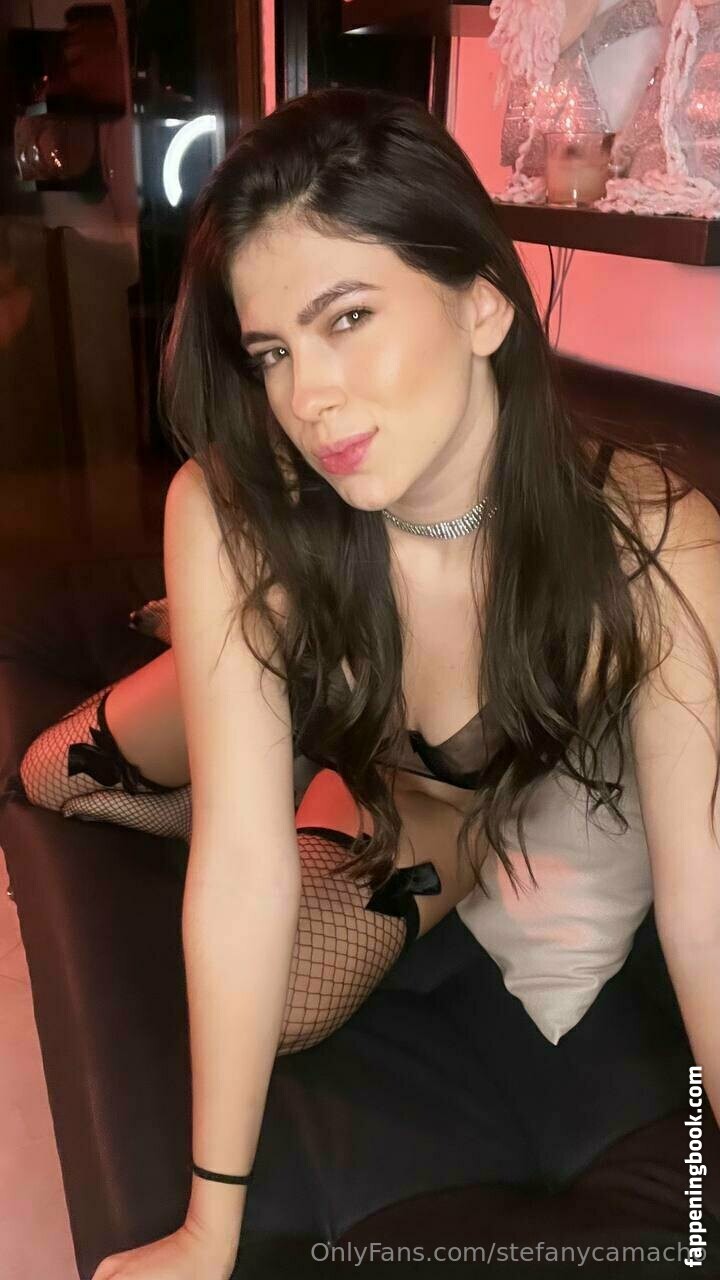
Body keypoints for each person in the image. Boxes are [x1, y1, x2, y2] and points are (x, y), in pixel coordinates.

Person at [18, 86, 720, 1279]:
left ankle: (265, 706)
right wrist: (208, 1231)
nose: (307, 398)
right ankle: (230, 674)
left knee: (288, 1000)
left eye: (347, 316)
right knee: (56, 778)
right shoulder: (235, 508)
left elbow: (706, 908)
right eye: (275, 352)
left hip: (425, 801)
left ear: (483, 301)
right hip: (292, 658)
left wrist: (208, 1232)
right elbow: (237, 862)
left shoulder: (652, 540)